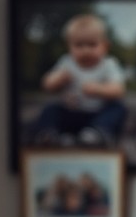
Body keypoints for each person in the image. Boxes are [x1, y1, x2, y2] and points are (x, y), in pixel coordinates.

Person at [31, 13, 128, 148]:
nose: (85, 50)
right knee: (51, 109)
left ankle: (96, 135)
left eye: (92, 44)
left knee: (118, 109)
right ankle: (48, 135)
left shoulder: (108, 64)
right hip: (71, 113)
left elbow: (119, 90)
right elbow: (47, 84)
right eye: (79, 45)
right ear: (69, 46)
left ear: (105, 46)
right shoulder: (67, 63)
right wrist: (58, 80)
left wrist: (99, 89)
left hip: (97, 115)